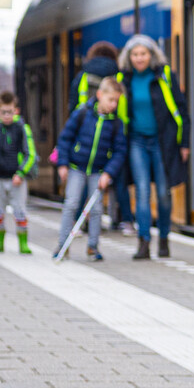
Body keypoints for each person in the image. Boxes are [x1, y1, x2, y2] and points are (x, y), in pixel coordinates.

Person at [116, 34, 189, 260]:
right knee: (142, 191)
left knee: (164, 193)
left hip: (162, 142)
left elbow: (182, 109)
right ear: (129, 57)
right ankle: (144, 242)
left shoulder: (164, 76)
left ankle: (164, 238)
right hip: (136, 141)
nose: (139, 58)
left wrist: (184, 143)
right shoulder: (123, 79)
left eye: (144, 54)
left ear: (152, 55)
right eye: (135, 54)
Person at [54, 76, 127, 262]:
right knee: (71, 204)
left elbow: (119, 151)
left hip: (98, 171)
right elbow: (65, 139)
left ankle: (93, 247)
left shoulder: (116, 123)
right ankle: (63, 244)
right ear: (100, 95)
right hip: (76, 167)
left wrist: (108, 172)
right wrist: (62, 164)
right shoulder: (82, 114)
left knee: (96, 209)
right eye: (111, 100)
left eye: (116, 101)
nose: (114, 105)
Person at [0, 90, 36, 254]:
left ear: (16, 111)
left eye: (10, 112)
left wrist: (21, 172)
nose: (6, 116)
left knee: (19, 210)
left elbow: (30, 154)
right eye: (3, 112)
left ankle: (23, 243)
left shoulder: (22, 129)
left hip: (16, 178)